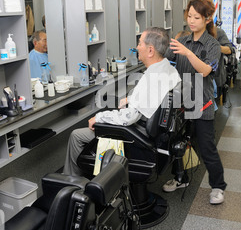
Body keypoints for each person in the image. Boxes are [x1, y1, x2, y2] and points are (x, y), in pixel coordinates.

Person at [63, 27, 181, 176]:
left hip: (137, 133)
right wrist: (132, 99)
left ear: (150, 50)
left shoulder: (152, 78)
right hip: (155, 132)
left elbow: (128, 118)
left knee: (76, 135)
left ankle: (72, 184)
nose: (137, 47)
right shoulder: (168, 69)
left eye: (140, 44)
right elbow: (155, 96)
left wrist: (99, 117)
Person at [164, 0, 227, 205]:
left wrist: (189, 53)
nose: (191, 20)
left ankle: (218, 187)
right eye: (189, 16)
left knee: (207, 147)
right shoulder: (181, 41)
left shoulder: (213, 45)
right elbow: (166, 64)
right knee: (179, 144)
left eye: (196, 17)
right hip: (181, 103)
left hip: (202, 104)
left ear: (207, 19)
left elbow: (206, 70)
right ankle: (180, 178)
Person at [214, 25, 234, 104]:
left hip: (215, 75)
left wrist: (215, 47)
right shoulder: (193, 32)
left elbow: (229, 50)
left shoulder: (218, 32)